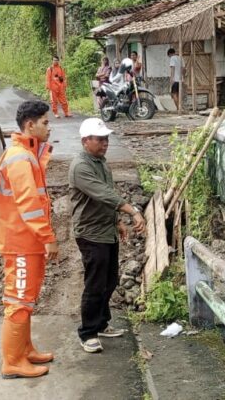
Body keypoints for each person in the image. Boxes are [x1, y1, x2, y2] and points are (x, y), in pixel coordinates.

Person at [0, 100, 59, 379]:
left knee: (26, 298)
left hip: (27, 241)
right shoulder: (20, 158)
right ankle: (12, 361)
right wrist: (48, 238)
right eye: (45, 122)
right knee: (19, 300)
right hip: (21, 242)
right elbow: (29, 205)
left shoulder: (26, 154)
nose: (49, 127)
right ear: (30, 125)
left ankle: (25, 350)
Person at [69, 118, 146, 353]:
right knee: (95, 284)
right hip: (91, 233)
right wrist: (132, 211)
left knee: (109, 280)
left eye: (106, 139)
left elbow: (108, 194)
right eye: (100, 139)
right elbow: (103, 194)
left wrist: (117, 221)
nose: (105, 143)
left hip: (107, 230)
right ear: (85, 141)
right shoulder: (81, 166)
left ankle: (101, 323)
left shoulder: (101, 163)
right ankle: (88, 332)